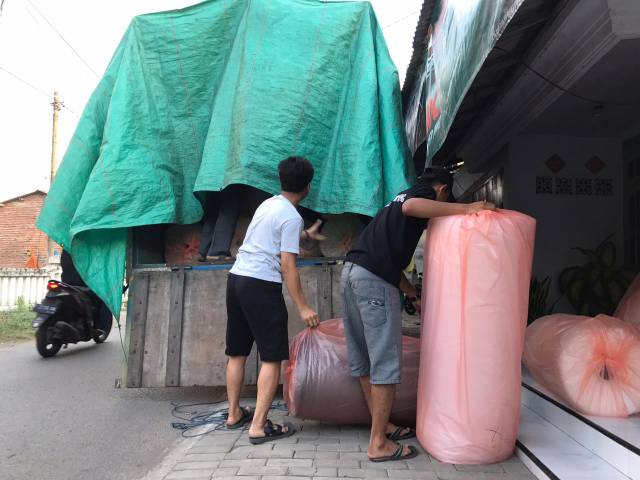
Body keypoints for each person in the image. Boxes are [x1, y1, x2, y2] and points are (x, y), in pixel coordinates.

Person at [341, 167, 496, 462]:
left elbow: (388, 260)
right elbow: (415, 207)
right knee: (384, 360)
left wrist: (413, 293)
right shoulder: (420, 195)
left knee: (364, 360)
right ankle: (378, 444)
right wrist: (467, 209)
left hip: (351, 273)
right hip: (373, 280)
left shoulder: (394, 203)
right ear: (442, 190)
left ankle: (382, 426)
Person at [224, 156, 321, 444]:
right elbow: (288, 265)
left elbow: (275, 234)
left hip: (236, 279)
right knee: (271, 357)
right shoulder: (292, 215)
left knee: (237, 352)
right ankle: (258, 426)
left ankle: (233, 414)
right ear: (307, 187)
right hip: (260, 285)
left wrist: (305, 235)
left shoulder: (268, 204)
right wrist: (303, 306)